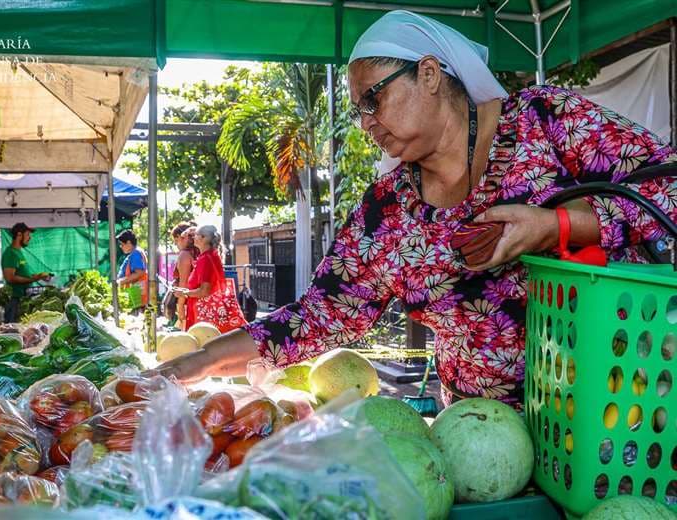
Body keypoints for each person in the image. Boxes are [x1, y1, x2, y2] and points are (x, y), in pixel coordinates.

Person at [149, 11, 677, 408]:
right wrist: (200, 361)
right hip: (483, 434)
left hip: (615, 408)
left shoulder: (546, 121)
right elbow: (323, 312)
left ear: (428, 74)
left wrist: (556, 225)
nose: (365, 123)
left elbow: (668, 189)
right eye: (357, 110)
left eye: (372, 99)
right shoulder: (388, 211)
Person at [172, 225, 246, 333]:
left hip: (205, 316)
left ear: (203, 238)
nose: (193, 238)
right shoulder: (212, 255)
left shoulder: (205, 259)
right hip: (210, 314)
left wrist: (184, 293)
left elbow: (204, 291)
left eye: (195, 235)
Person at [2, 222, 51, 323]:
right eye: (28, 234)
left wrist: (39, 276)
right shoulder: (10, 253)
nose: (30, 238)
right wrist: (33, 279)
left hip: (22, 299)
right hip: (14, 300)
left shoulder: (18, 252)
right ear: (19, 235)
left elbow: (22, 274)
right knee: (13, 330)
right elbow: (10, 277)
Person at [163, 221, 199, 327]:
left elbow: (183, 285)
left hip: (188, 303)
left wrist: (180, 306)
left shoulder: (184, 255)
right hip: (200, 303)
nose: (176, 245)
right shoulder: (200, 253)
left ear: (182, 237)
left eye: (176, 241)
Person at [116, 230, 149, 311]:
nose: (121, 247)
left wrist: (121, 282)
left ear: (128, 242)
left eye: (122, 244)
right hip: (137, 295)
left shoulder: (136, 253)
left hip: (137, 296)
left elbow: (139, 273)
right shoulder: (136, 252)